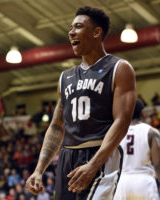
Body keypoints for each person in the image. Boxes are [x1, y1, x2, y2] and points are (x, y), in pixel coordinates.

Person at [25, 6, 136, 200]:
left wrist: (93, 164)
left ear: (96, 32)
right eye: (70, 28)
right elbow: (57, 126)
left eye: (78, 27)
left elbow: (122, 122)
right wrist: (38, 170)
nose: (71, 32)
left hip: (101, 153)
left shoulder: (119, 68)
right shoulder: (65, 77)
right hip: (67, 157)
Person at [114, 100, 160, 200]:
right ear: (142, 112)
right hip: (144, 181)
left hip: (122, 181)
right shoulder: (152, 132)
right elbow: (158, 165)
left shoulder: (116, 132)